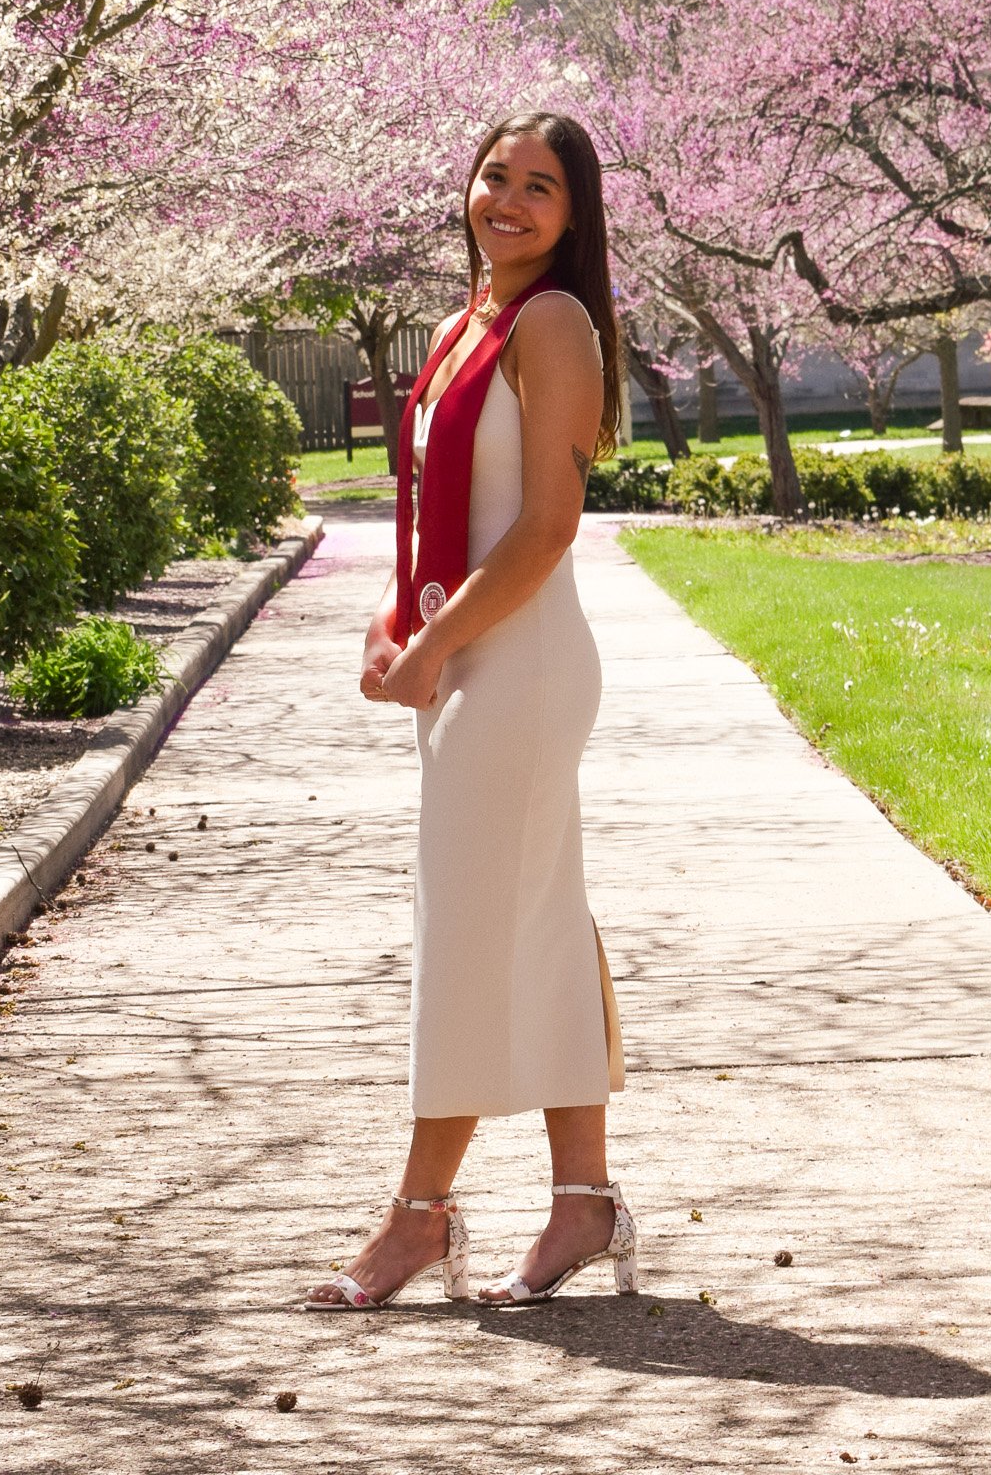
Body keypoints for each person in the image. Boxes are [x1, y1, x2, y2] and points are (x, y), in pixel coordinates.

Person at [304, 111, 637, 1312]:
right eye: (494, 175)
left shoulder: (550, 324)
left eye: (538, 186)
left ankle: (416, 1219)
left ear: (572, 212)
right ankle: (582, 1200)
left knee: (463, 936)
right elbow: (431, 510)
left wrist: (436, 644)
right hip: (467, 655)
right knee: (538, 923)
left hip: (522, 663)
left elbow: (544, 528)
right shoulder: (462, 325)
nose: (507, 198)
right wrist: (393, 623)